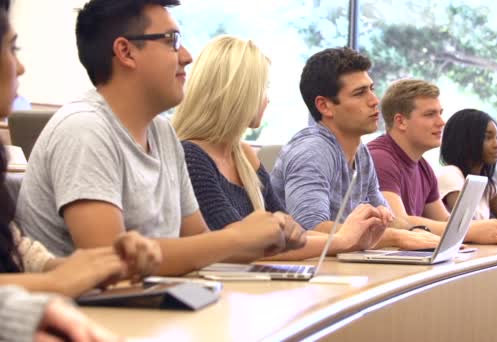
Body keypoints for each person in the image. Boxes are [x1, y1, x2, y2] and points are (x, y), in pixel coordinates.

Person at [16, 0, 304, 277]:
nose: (187, 56)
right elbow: (113, 263)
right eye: (172, 41)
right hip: (87, 316)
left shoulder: (162, 133)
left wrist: (261, 234)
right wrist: (236, 238)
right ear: (126, 52)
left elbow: (198, 242)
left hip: (148, 308)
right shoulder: (84, 129)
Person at [172, 36, 386, 258]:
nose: (267, 100)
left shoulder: (244, 155)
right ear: (238, 93)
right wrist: (343, 241)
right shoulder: (192, 157)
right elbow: (242, 247)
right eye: (263, 88)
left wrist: (352, 239)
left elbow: (293, 234)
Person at [0, 1, 121, 341]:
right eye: (12, 48)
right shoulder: (83, 128)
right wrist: (54, 282)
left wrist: (90, 265)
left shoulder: (163, 134)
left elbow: (18, 250)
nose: (21, 66)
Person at [271, 47, 440, 250]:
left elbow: (388, 219)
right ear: (324, 106)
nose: (374, 101)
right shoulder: (312, 151)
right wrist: (397, 238)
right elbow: (310, 228)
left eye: (372, 89)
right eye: (360, 93)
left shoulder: (361, 152)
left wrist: (417, 233)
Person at [369, 79, 497, 244]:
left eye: (440, 113)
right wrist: (470, 231)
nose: (441, 122)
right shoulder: (380, 158)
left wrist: (493, 228)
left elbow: (445, 221)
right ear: (401, 121)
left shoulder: (423, 167)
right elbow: (397, 223)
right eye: (430, 114)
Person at [437, 109, 497, 235]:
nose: (496, 144)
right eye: (488, 137)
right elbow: (463, 226)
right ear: (465, 140)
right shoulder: (450, 174)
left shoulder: (486, 183)